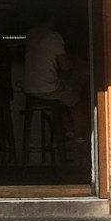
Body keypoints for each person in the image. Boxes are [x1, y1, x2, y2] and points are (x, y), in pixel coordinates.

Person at [23, 12, 88, 141]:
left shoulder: (31, 34)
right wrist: (75, 60)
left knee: (62, 98)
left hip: (29, 88)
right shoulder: (54, 37)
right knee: (76, 101)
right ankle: (79, 137)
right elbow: (65, 66)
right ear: (52, 20)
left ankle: (68, 131)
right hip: (48, 89)